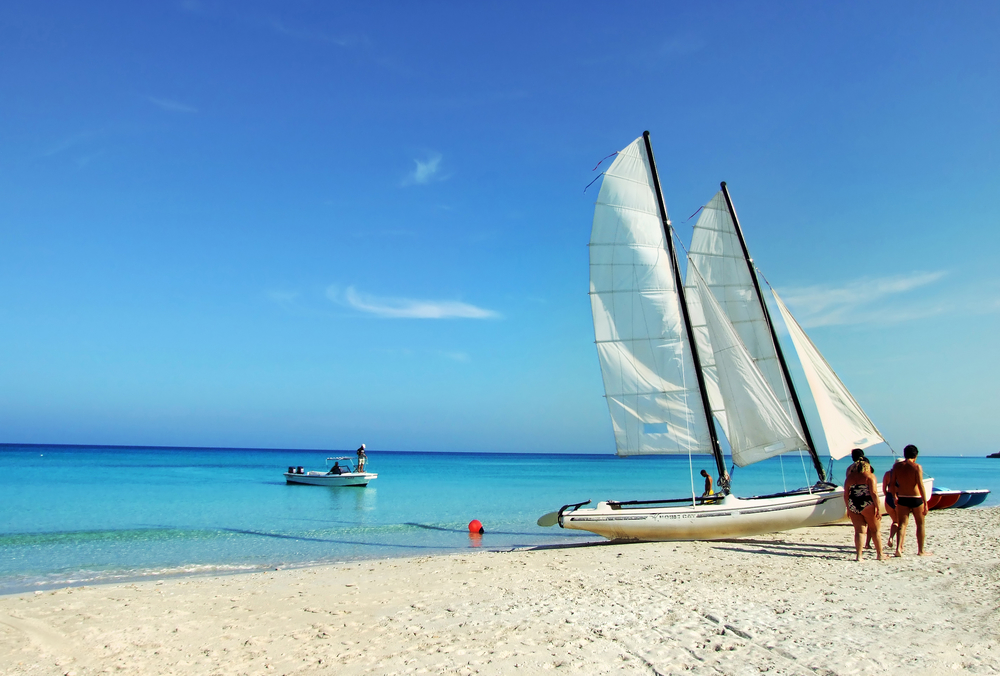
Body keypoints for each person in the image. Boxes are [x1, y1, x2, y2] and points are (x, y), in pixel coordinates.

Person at [843, 454, 883, 561]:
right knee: (875, 530)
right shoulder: (870, 476)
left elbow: (846, 494)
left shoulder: (849, 478)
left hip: (853, 504)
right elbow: (874, 493)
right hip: (867, 503)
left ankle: (859, 556)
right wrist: (878, 508)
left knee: (859, 531)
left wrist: (848, 507)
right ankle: (880, 554)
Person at [892, 444, 930, 557]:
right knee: (920, 524)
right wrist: (926, 502)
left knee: (902, 525)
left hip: (902, 497)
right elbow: (920, 485)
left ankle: (898, 549)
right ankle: (921, 550)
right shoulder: (917, 467)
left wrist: (894, 496)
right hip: (915, 498)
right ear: (916, 455)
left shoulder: (897, 466)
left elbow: (892, 483)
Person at [882, 460, 902, 549]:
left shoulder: (887, 474)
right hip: (899, 497)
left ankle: (891, 537)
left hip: (889, 497)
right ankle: (898, 544)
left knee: (895, 521)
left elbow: (884, 488)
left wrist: (888, 496)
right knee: (900, 523)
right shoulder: (902, 474)